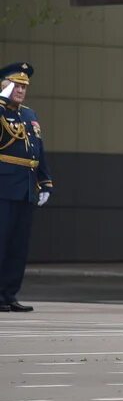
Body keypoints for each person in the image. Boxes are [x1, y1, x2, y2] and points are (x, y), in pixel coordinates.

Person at [0, 63, 51, 312]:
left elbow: (38, 151)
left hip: (26, 187)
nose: (20, 90)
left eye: (24, 87)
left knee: (18, 246)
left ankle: (9, 294)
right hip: (4, 187)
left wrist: (45, 182)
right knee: (1, 242)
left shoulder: (29, 115)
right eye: (16, 85)